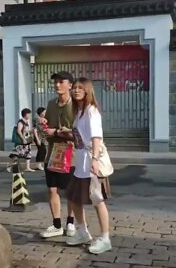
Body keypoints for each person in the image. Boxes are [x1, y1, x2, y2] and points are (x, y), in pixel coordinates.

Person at [60, 77, 112, 254]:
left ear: (88, 90)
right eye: (74, 88)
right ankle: (83, 232)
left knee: (97, 200)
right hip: (81, 162)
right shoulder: (79, 112)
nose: (76, 91)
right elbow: (80, 136)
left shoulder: (91, 111)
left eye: (80, 88)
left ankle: (105, 238)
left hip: (91, 161)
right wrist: (67, 133)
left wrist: (95, 160)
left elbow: (96, 137)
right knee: (73, 197)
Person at [39, 71, 76, 238]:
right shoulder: (51, 104)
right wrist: (43, 126)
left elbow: (78, 134)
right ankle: (56, 224)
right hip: (52, 153)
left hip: (71, 153)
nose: (57, 85)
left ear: (70, 84)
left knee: (70, 191)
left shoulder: (76, 105)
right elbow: (46, 130)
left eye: (62, 81)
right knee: (52, 189)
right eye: (55, 82)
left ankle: (71, 223)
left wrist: (58, 132)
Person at [7, 108, 36, 172]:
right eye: (29, 114)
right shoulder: (20, 122)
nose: (30, 115)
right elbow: (19, 131)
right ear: (25, 114)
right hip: (21, 141)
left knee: (28, 153)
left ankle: (27, 167)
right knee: (16, 154)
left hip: (26, 141)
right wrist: (23, 139)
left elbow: (26, 131)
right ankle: (9, 166)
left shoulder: (26, 122)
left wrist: (31, 131)